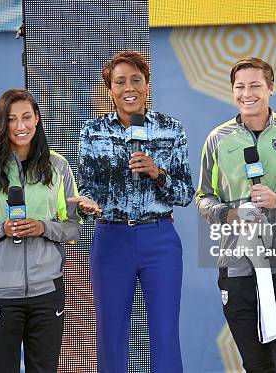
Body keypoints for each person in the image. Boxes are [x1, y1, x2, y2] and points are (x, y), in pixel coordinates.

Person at [69, 50, 194, 373]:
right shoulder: (92, 132)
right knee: (110, 335)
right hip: (112, 238)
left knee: (165, 333)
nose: (129, 88)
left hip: (159, 238)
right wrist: (86, 205)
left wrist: (157, 173)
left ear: (147, 85)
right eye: (120, 81)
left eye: (136, 80)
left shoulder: (171, 129)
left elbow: (185, 193)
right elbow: (88, 188)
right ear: (110, 90)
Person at [197, 57, 276, 372]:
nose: (246, 93)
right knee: (255, 364)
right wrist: (229, 214)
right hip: (237, 264)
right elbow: (202, 198)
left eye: (255, 85)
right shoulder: (217, 140)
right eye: (239, 87)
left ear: (270, 88)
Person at [0, 89, 81, 372]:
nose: (20, 126)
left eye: (26, 117)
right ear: (2, 124)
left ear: (37, 119)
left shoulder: (58, 167)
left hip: (47, 290)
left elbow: (72, 229)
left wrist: (42, 227)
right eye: (11, 119)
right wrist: (1, 229)